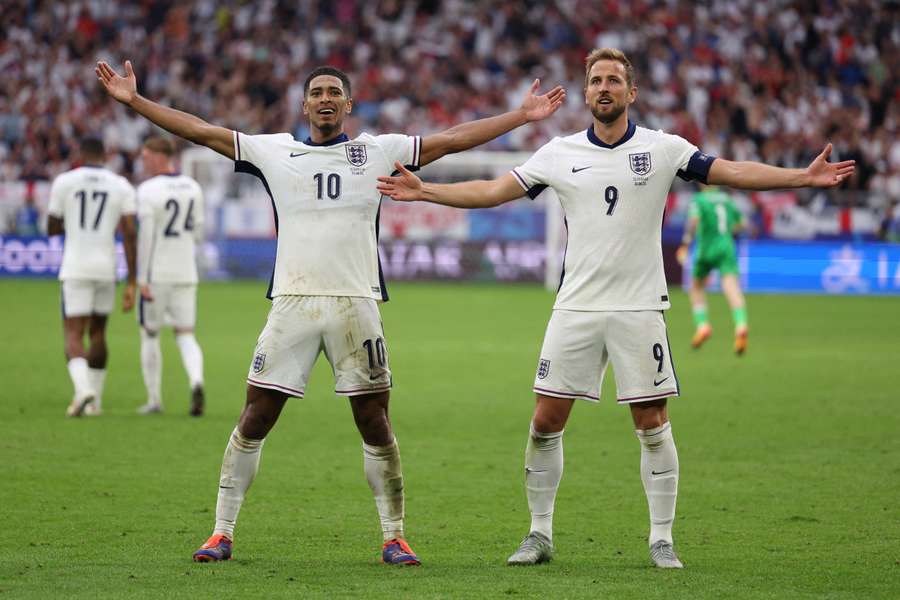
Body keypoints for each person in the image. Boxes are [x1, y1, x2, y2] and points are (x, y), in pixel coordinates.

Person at [377, 47, 854, 569]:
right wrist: (428, 191)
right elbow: (494, 189)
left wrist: (799, 178)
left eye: (613, 81)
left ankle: (662, 538)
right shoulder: (557, 152)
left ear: (632, 93)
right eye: (595, 80)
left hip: (639, 308)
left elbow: (728, 171)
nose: (603, 88)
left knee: (651, 421)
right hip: (576, 308)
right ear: (586, 93)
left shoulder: (664, 148)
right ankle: (538, 534)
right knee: (544, 419)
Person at [96, 59, 565, 565]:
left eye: (333, 92)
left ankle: (394, 536)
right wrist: (137, 102)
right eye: (316, 91)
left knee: (374, 420)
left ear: (347, 104)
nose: (324, 98)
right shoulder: (276, 150)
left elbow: (449, 140)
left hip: (356, 304)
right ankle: (221, 532)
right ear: (304, 105)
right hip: (292, 305)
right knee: (255, 416)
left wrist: (519, 116)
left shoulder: (379, 151)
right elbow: (202, 132)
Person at [47, 136, 138, 417]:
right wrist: (132, 279)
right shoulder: (120, 185)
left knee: (73, 333)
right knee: (98, 332)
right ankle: (95, 401)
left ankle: (83, 389)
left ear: (80, 153)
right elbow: (130, 233)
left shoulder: (65, 181)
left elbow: (51, 227)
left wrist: (70, 224)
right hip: (106, 268)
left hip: (75, 266)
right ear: (105, 155)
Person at [134, 136, 207, 416]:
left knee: (150, 334)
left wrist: (142, 278)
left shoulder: (148, 190)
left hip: (157, 274)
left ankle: (154, 400)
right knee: (186, 334)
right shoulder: (193, 187)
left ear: (157, 155)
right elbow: (199, 233)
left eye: (145, 156)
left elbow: (146, 237)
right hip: (186, 272)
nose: (143, 162)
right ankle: (197, 380)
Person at [676, 185, 749, 354]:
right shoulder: (727, 199)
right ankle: (741, 325)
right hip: (726, 247)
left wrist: (685, 245)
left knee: (696, 287)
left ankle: (702, 325)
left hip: (705, 249)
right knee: (732, 288)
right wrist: (724, 231)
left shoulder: (699, 200)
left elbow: (693, 222)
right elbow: (742, 224)